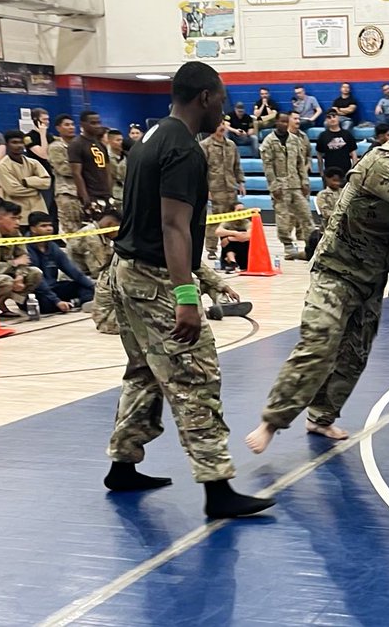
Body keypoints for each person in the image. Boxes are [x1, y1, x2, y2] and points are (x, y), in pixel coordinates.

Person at [104, 60, 273, 519]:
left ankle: (123, 465)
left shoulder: (152, 137)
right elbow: (173, 225)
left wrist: (206, 279)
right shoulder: (183, 150)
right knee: (195, 377)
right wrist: (185, 297)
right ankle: (218, 490)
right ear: (205, 97)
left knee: (145, 372)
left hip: (126, 272)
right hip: (156, 281)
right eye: (221, 99)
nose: (224, 108)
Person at [245, 122, 389, 453]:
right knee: (320, 341)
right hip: (337, 269)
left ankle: (321, 417)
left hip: (371, 275)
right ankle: (271, 422)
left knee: (354, 353)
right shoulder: (384, 162)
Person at [260, 112, 314, 260]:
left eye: (286, 122)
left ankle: (311, 245)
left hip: (296, 184)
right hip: (280, 187)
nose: (284, 124)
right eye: (282, 121)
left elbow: (300, 163)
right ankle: (288, 245)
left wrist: (305, 182)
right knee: (283, 219)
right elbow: (268, 167)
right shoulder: (269, 142)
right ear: (276, 122)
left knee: (306, 215)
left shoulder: (295, 140)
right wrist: (274, 186)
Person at [0, 200, 42, 314]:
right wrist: (14, 263)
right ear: (0, 218)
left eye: (19, 218)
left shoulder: (15, 232)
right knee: (6, 281)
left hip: (3, 272)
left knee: (35, 273)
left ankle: (4, 302)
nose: (18, 222)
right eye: (13, 218)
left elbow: (23, 258)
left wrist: (20, 276)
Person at [24, 211, 95, 314]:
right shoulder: (25, 247)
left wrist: (94, 287)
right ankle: (74, 303)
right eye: (43, 226)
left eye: (50, 225)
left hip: (53, 287)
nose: (49, 229)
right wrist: (56, 301)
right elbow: (39, 283)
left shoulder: (53, 247)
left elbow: (72, 271)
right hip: (34, 291)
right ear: (33, 229)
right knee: (43, 304)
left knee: (84, 286)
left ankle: (74, 303)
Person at [200, 119, 244, 260]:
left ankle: (230, 249)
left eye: (223, 124)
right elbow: (201, 169)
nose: (222, 127)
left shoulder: (231, 145)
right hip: (215, 188)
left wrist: (241, 183)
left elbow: (237, 165)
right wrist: (205, 189)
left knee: (232, 220)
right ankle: (211, 249)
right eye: (219, 124)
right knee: (214, 220)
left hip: (230, 188)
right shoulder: (205, 145)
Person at [69, 110, 114, 221]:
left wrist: (109, 192)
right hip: (91, 194)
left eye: (99, 122)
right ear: (83, 124)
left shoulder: (100, 145)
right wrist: (85, 197)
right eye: (93, 123)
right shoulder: (76, 144)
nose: (97, 126)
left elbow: (107, 170)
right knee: (96, 225)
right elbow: (76, 173)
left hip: (105, 194)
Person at [0, 130, 51, 218]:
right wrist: (37, 190)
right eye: (14, 142)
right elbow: (13, 190)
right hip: (19, 214)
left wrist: (27, 182)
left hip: (39, 210)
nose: (19, 145)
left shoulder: (33, 163)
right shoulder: (2, 166)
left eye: (21, 142)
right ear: (7, 145)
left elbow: (47, 182)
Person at [49, 115, 81, 233]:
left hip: (83, 191)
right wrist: (83, 167)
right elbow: (64, 169)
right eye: (67, 125)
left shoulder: (79, 145)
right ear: (58, 128)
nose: (71, 127)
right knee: (71, 228)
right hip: (66, 192)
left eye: (72, 124)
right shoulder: (55, 147)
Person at [316, 109, 358, 174]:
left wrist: (353, 170)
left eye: (334, 116)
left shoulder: (347, 134)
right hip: (330, 173)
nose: (332, 119)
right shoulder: (323, 136)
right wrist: (321, 172)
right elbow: (319, 155)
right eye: (329, 117)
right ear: (326, 120)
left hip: (346, 171)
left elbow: (353, 153)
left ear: (338, 117)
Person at [215, 202, 251, 272]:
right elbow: (218, 232)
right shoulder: (228, 221)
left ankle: (231, 261)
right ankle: (232, 262)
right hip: (231, 248)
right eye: (239, 210)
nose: (242, 212)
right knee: (224, 235)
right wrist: (235, 233)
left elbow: (248, 236)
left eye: (243, 210)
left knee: (229, 238)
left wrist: (230, 239)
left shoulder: (246, 222)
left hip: (243, 250)